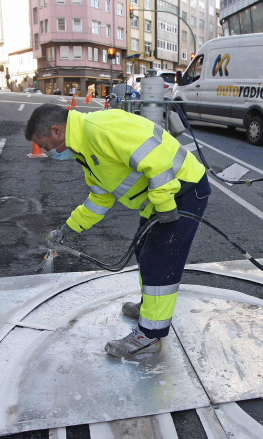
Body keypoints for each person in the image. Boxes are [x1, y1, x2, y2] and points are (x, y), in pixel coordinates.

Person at [25, 104, 210, 358]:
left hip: (182, 191)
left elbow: (155, 160)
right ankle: (150, 309)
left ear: (57, 131)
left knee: (159, 259)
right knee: (143, 249)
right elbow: (99, 199)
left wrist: (166, 206)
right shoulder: (84, 149)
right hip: (161, 199)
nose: (47, 153)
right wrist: (68, 228)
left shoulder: (101, 129)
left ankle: (150, 335)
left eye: (44, 145)